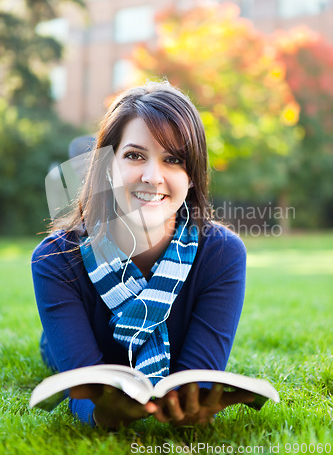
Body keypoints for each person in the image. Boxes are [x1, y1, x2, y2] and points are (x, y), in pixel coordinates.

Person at [31, 81, 251, 430]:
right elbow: (82, 392)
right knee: (52, 350)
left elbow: (197, 376)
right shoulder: (56, 259)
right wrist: (101, 414)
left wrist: (193, 404)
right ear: (107, 165)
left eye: (173, 159)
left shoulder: (222, 253)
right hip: (69, 334)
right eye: (134, 155)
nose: (152, 176)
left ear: (192, 175)